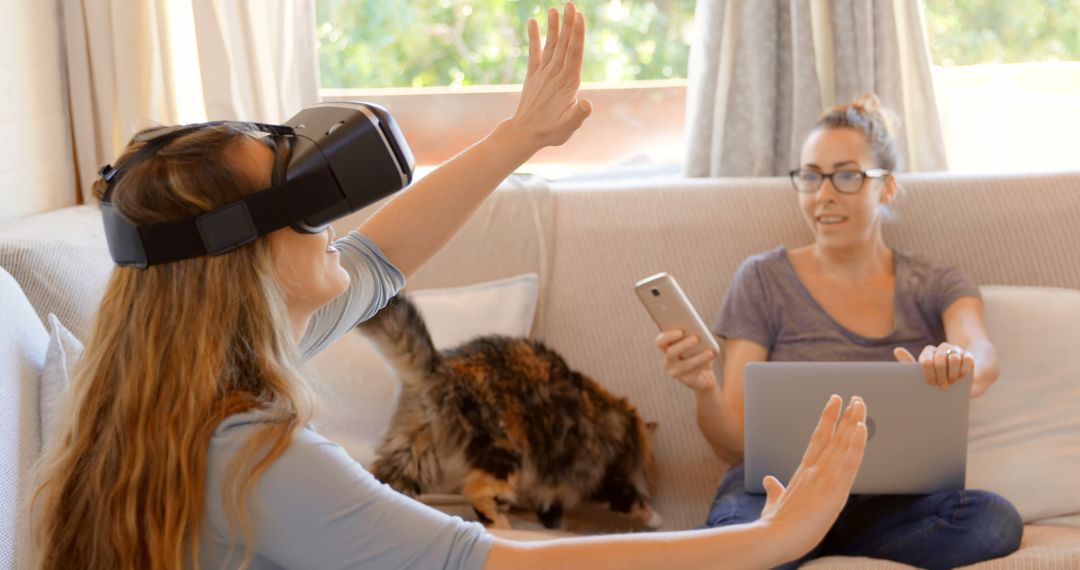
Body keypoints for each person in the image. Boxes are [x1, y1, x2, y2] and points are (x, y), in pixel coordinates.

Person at [31, 3, 869, 569]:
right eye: (304, 205)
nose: (335, 221)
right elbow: (502, 564)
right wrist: (769, 538)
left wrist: (520, 136)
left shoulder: (192, 382)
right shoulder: (258, 457)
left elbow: (386, 257)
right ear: (236, 264)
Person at [656, 94, 1024, 569]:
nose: (823, 194)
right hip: (778, 494)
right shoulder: (763, 279)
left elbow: (981, 355)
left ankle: (805, 546)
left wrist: (956, 364)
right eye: (810, 176)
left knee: (993, 520)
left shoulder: (937, 283)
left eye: (847, 175)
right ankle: (790, 541)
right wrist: (703, 387)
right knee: (743, 540)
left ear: (886, 188)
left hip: (887, 503)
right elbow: (732, 444)